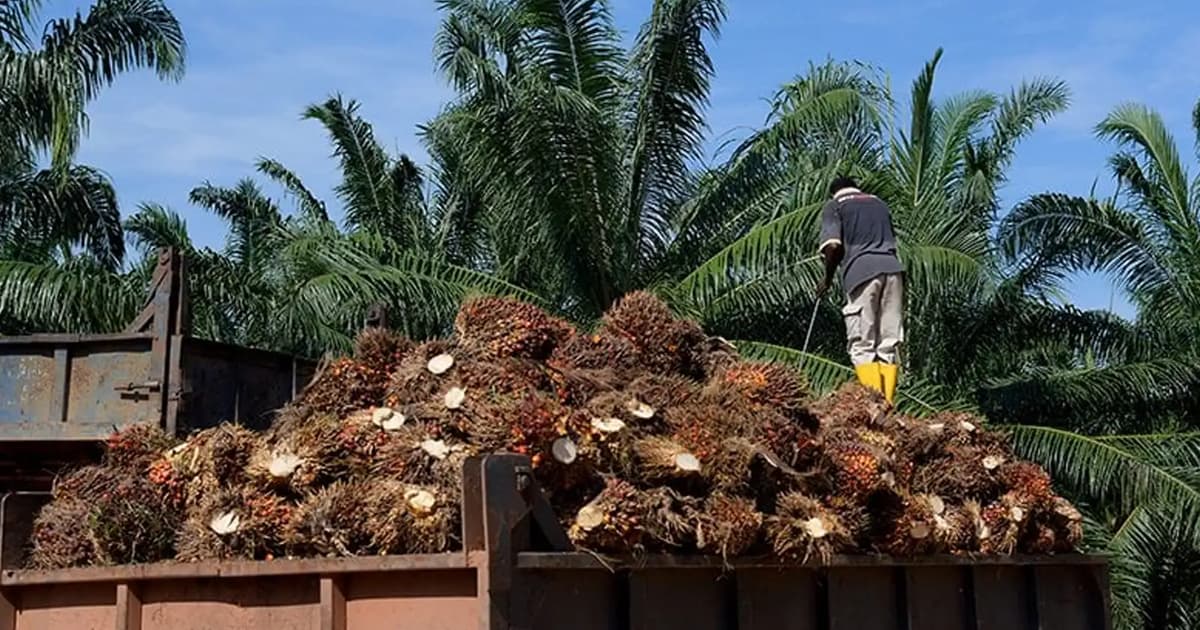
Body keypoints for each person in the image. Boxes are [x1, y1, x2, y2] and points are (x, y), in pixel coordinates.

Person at [815, 175, 905, 403]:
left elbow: (833, 246)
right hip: (893, 272)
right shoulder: (879, 204)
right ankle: (887, 404)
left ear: (834, 192)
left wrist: (826, 279)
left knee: (862, 343)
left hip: (861, 273)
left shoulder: (835, 205)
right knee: (888, 342)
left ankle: (873, 405)